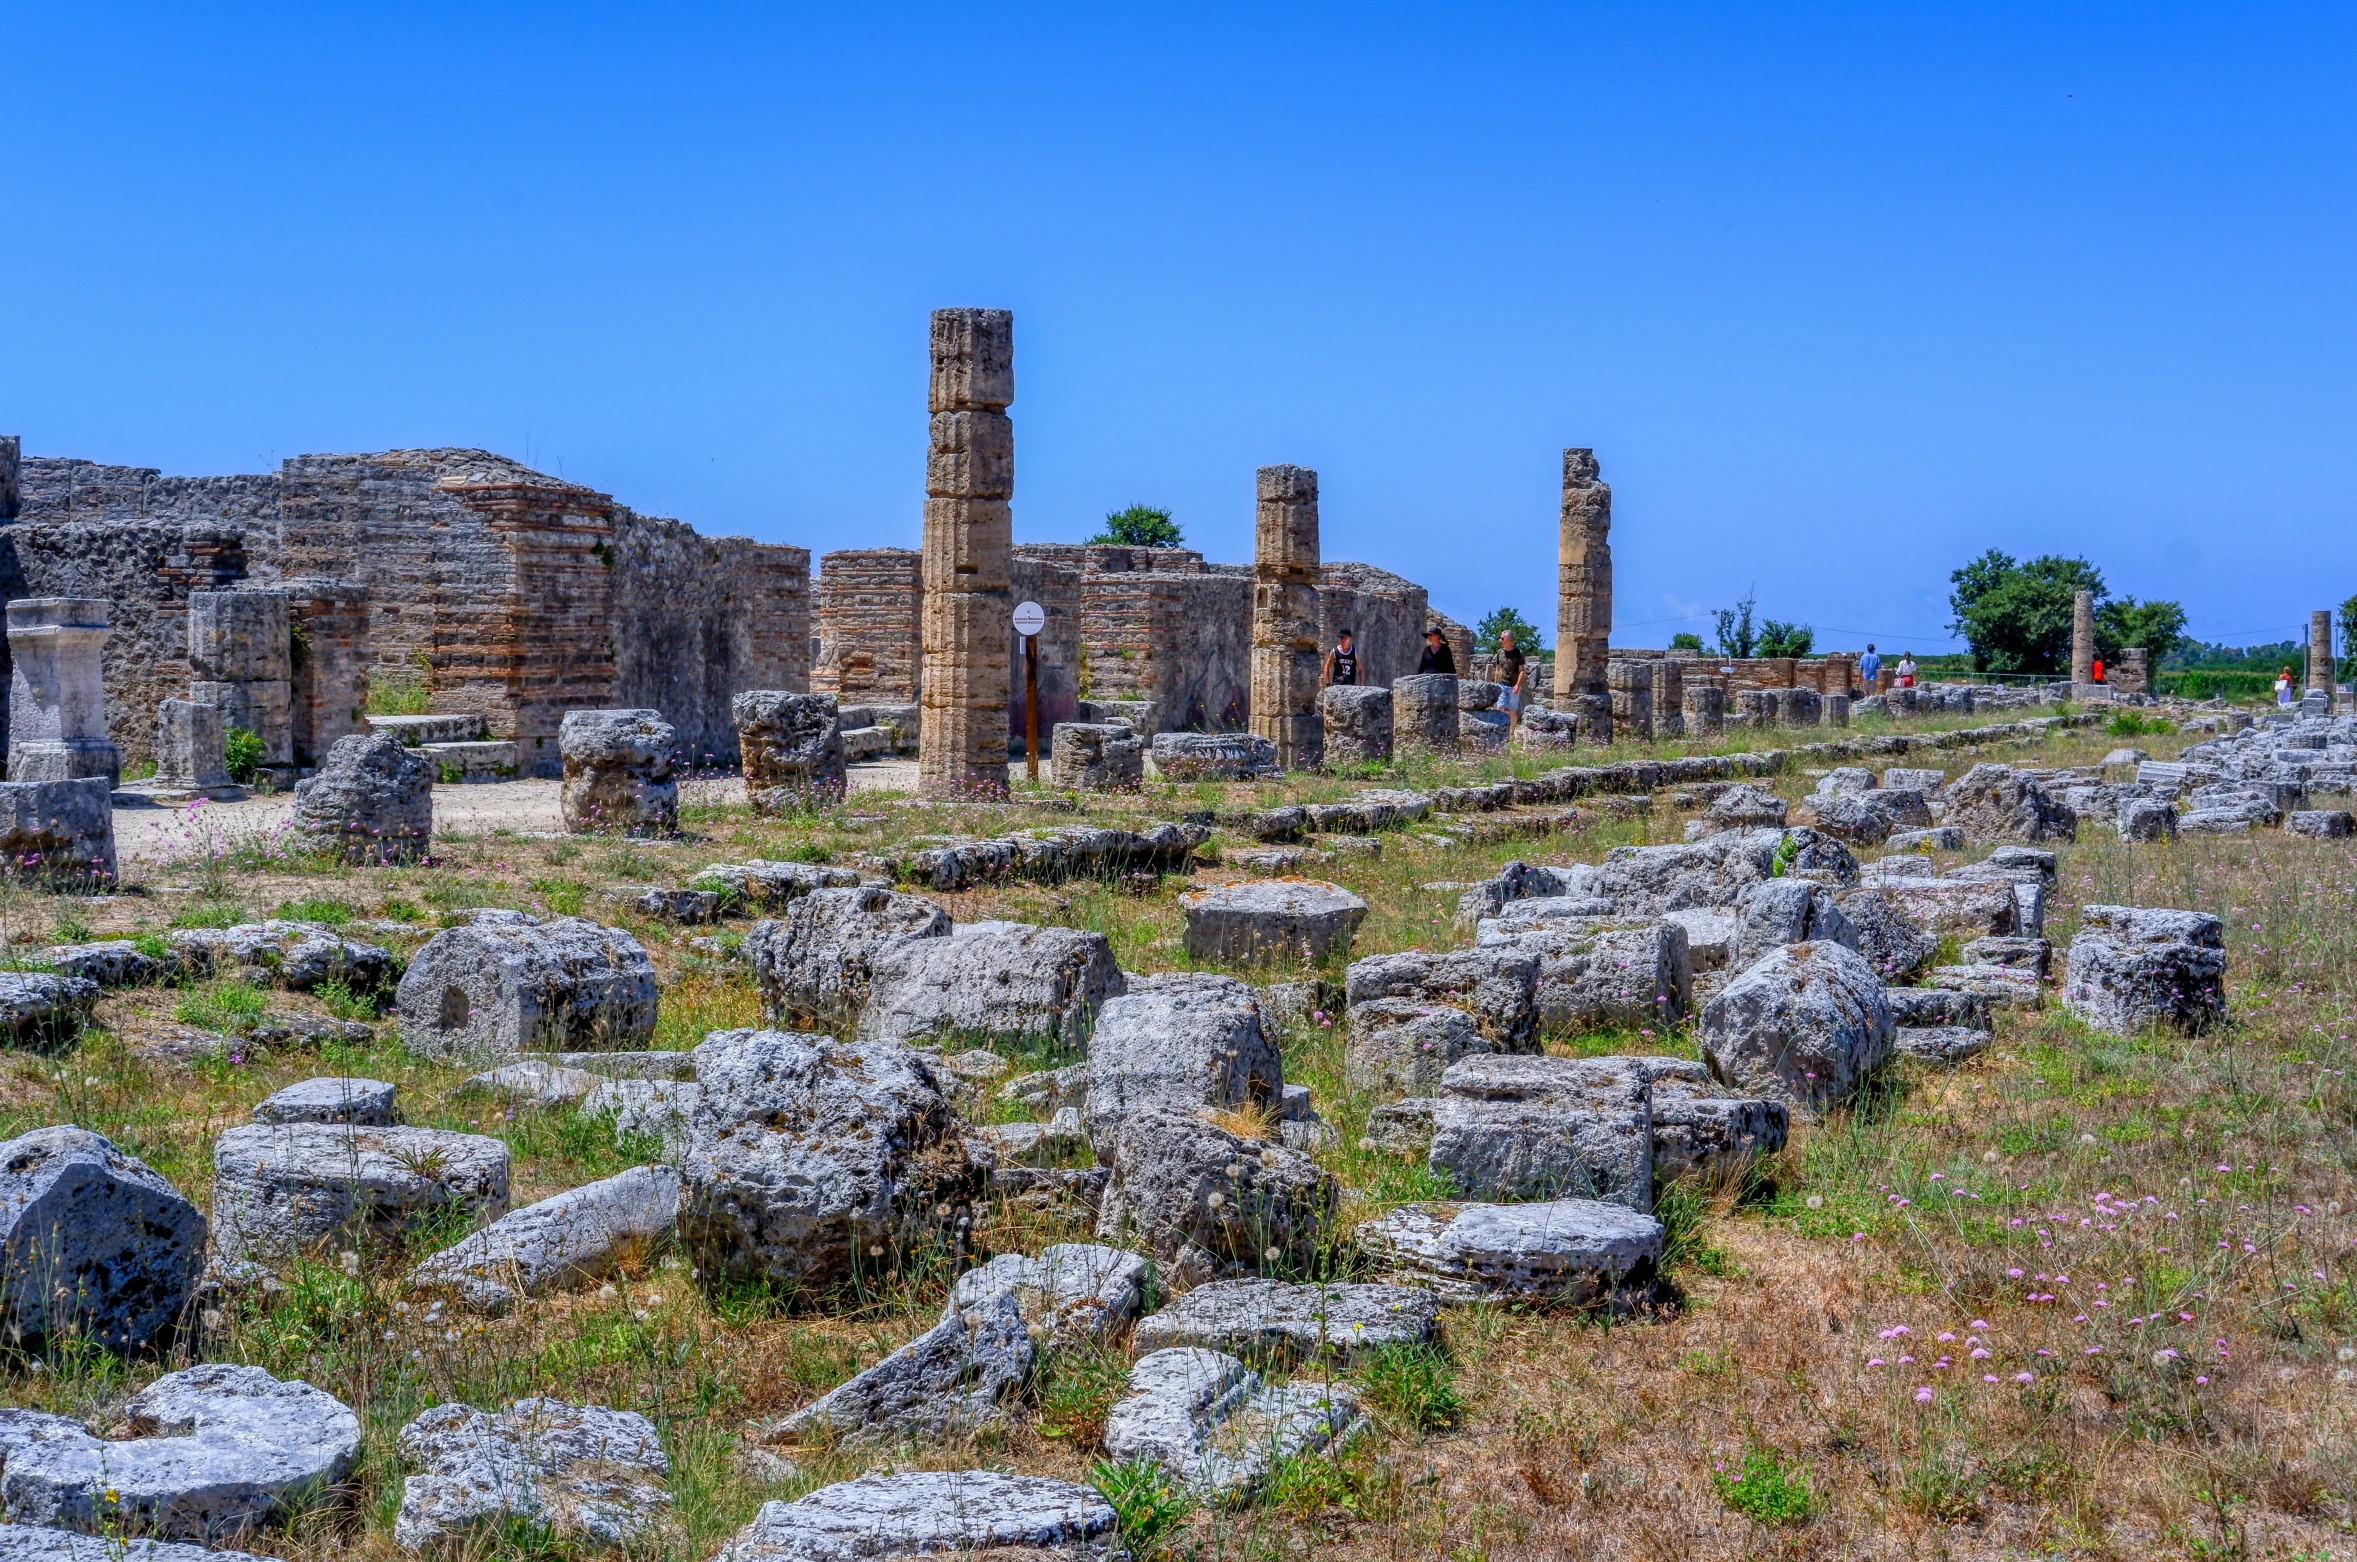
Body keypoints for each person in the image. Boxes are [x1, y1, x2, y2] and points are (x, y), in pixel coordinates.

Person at [1495, 628, 1526, 729]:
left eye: (1502, 638)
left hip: (1513, 685)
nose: (1500, 640)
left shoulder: (1518, 653)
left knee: (1512, 710)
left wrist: (1517, 685)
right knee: (1500, 707)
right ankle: (1499, 729)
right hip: (1501, 683)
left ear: (1509, 639)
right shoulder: (1499, 652)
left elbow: (1522, 670)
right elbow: (1497, 669)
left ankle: (1512, 732)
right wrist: (1495, 684)